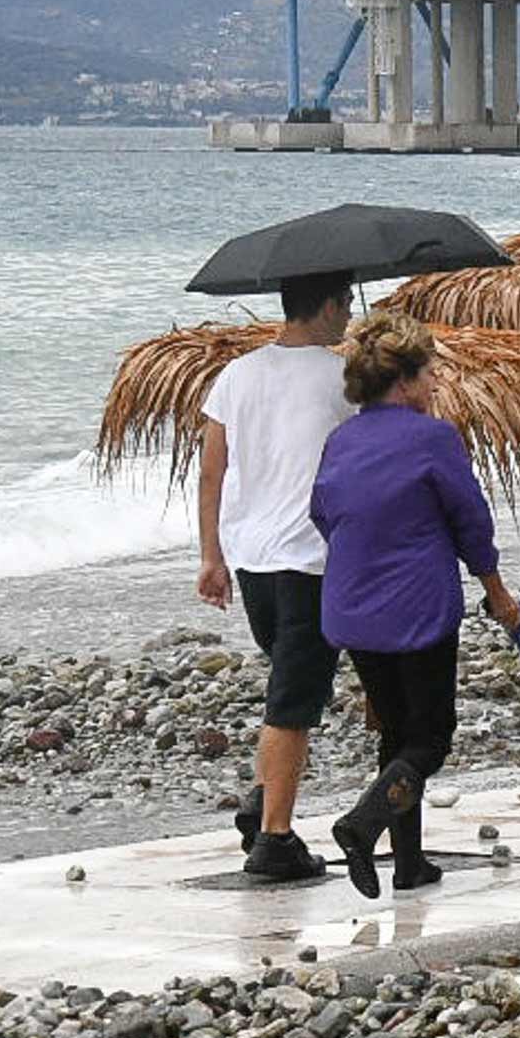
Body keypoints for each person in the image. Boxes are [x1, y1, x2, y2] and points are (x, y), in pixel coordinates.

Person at [309, 312, 517, 898]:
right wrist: (496, 591)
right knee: (430, 738)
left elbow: (322, 513)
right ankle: (362, 824)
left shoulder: (340, 441)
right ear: (403, 381)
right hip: (416, 606)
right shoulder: (433, 438)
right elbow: (470, 520)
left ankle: (409, 864)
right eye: (428, 374)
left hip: (351, 605)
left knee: (396, 732)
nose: (434, 383)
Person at [195, 272, 355, 882]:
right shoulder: (343, 379)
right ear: (329, 305)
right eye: (347, 303)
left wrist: (210, 556)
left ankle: (262, 801)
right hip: (309, 558)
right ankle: (276, 839)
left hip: (251, 556)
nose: (350, 315)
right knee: (293, 704)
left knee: (290, 684)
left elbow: (211, 472)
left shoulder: (236, 375)